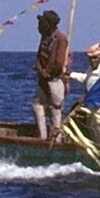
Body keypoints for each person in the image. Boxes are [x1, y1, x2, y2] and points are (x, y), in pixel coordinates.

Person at [32, 9, 68, 140]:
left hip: (54, 80)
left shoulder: (60, 39)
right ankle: (42, 137)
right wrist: (40, 70)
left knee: (55, 110)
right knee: (37, 105)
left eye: (41, 23)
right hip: (43, 80)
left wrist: (47, 72)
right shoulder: (45, 37)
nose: (39, 26)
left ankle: (55, 140)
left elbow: (58, 62)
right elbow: (39, 56)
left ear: (49, 24)